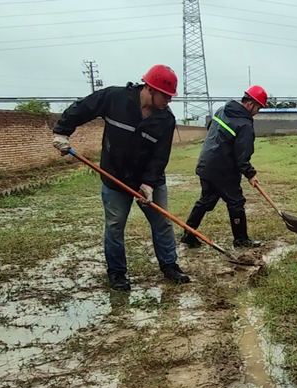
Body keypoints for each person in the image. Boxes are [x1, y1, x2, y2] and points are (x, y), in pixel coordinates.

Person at [51, 64, 189, 292]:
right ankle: (117, 274)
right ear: (150, 88)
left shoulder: (166, 120)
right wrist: (62, 131)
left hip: (149, 181)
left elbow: (159, 157)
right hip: (114, 177)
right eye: (165, 95)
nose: (169, 100)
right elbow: (83, 108)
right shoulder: (115, 98)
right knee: (115, 226)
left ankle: (169, 266)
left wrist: (148, 184)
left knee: (162, 223)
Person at [181, 85, 268, 249]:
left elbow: (211, 130)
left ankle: (188, 233)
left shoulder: (222, 110)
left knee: (206, 200)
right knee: (236, 202)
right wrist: (250, 174)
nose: (257, 112)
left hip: (206, 163)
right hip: (223, 169)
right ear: (250, 104)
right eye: (258, 108)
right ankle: (241, 239)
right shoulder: (245, 124)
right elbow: (242, 156)